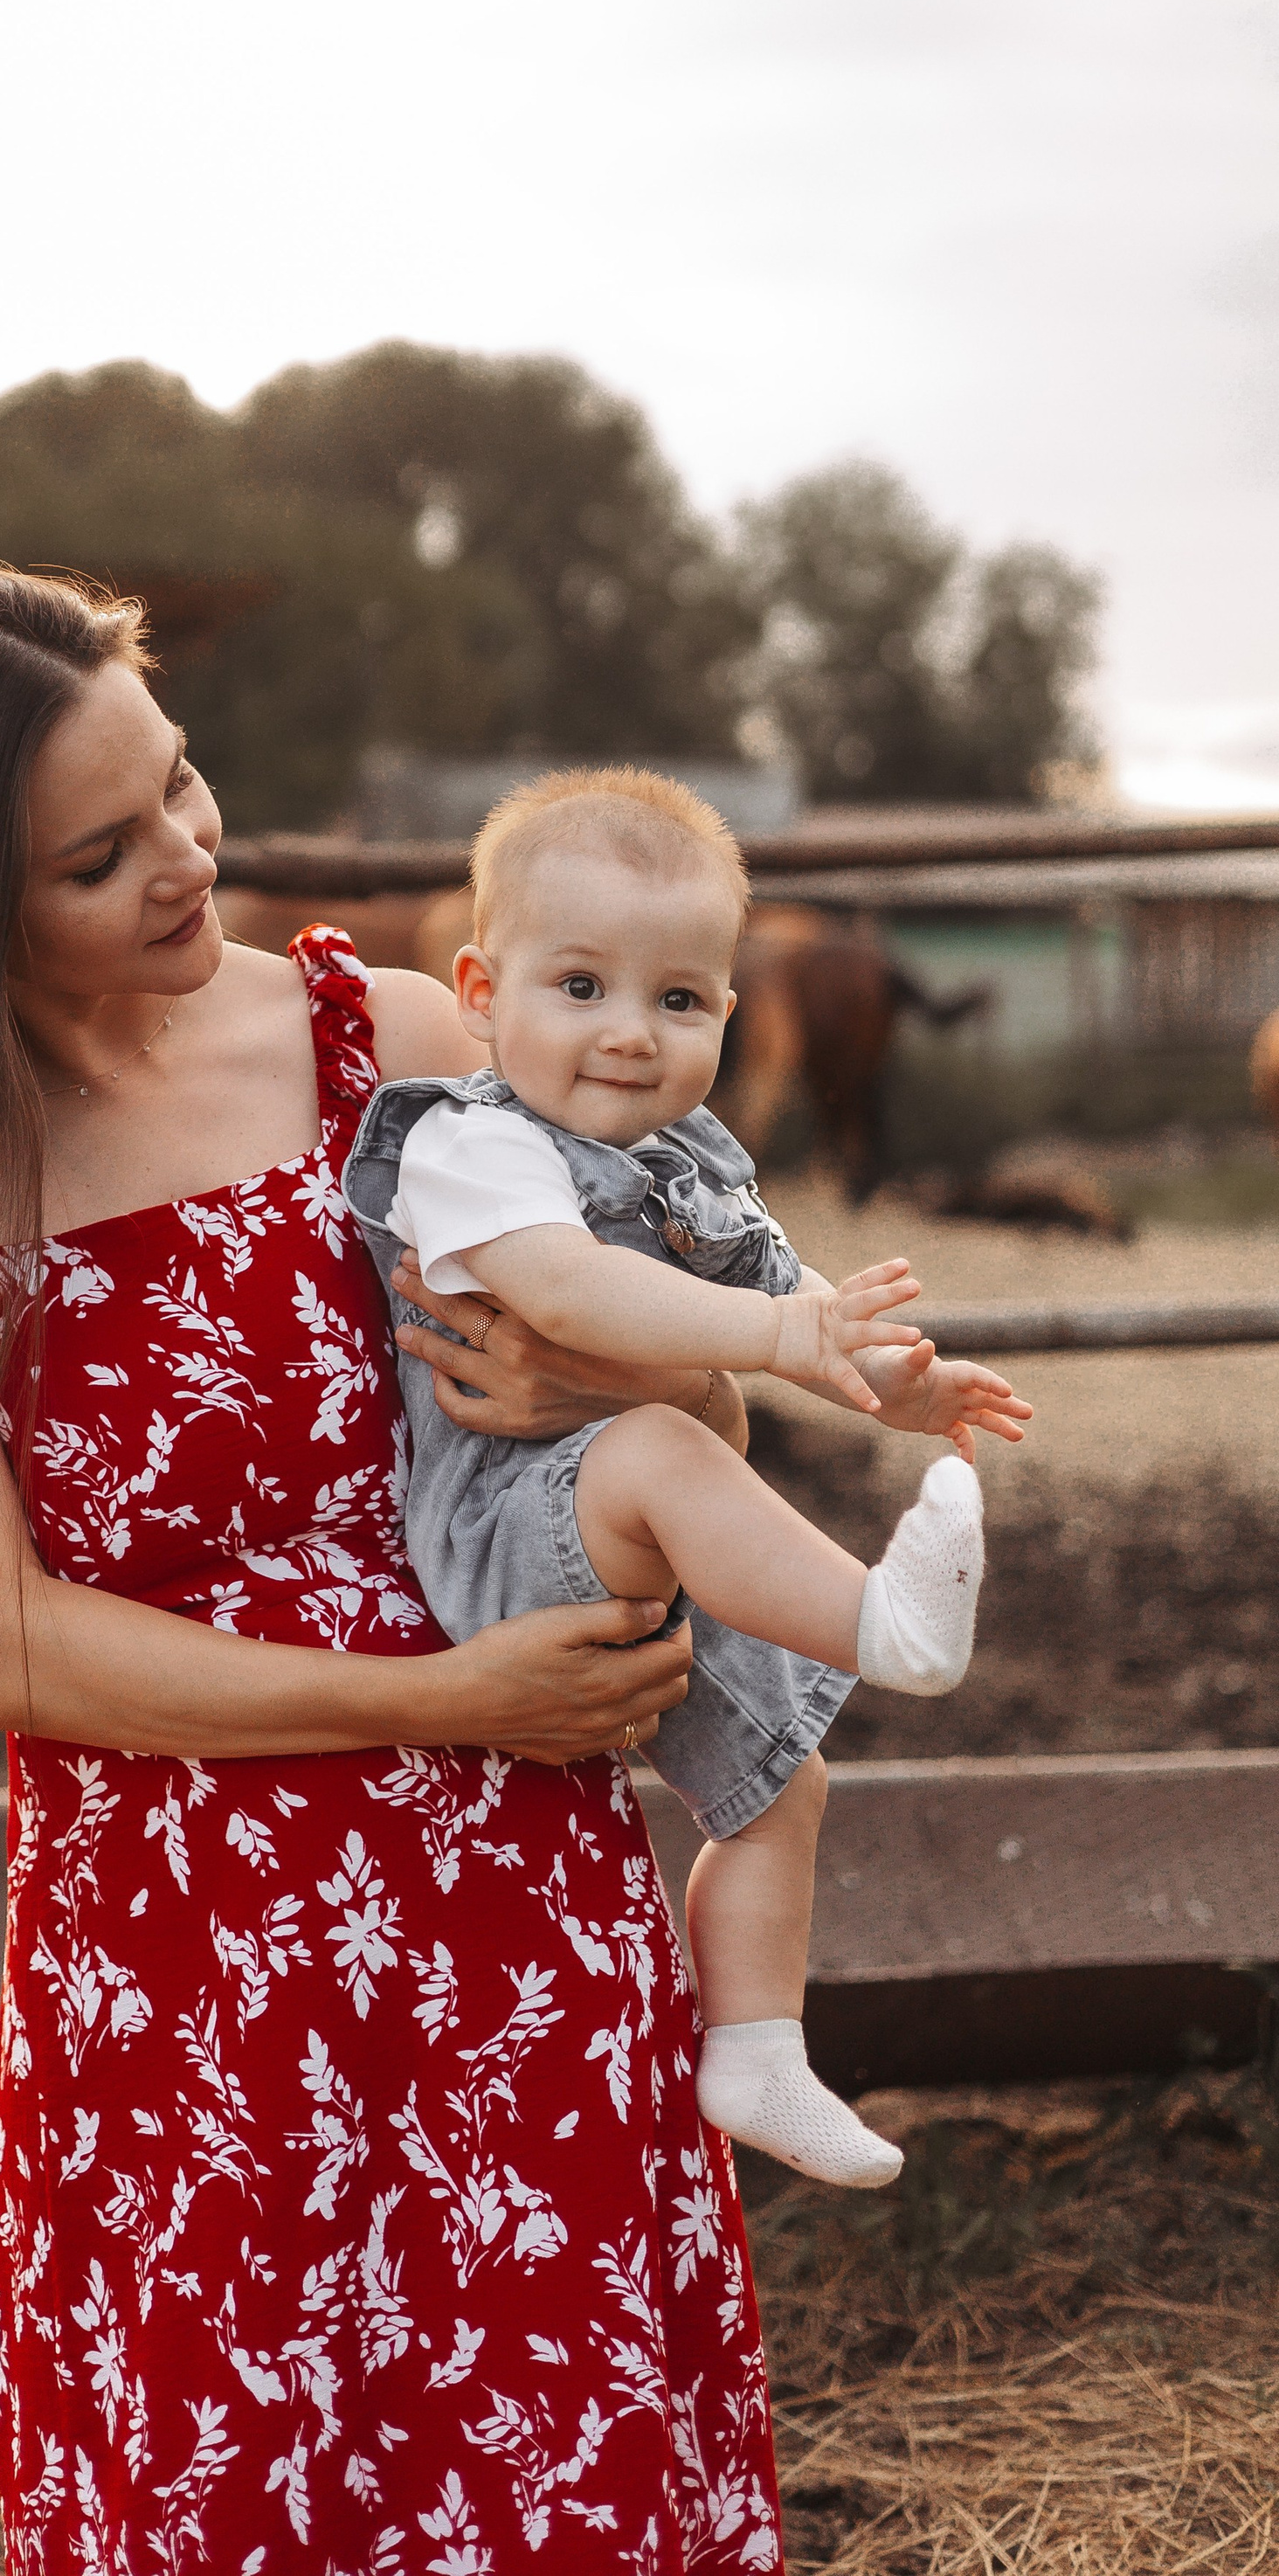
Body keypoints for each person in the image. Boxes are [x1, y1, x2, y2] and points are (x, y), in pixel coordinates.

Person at [0, 565, 786, 2573]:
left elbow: (687, 1437)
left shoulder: (405, 1038)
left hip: (507, 1918)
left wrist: (631, 1393)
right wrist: (429, 1703)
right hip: (187, 1988)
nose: (188, 859)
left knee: (555, 2471)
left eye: (180, 784)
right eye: (100, 858)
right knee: (232, 2487)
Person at [344, 766, 1032, 2192]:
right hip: (497, 1533)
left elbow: (801, 1295)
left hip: (636, 1528)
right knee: (661, 1440)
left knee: (785, 1785)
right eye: (581, 986)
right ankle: (879, 1627)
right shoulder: (471, 1146)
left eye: (678, 1000)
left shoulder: (693, 1163)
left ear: (730, 1011)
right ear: (482, 990)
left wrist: (895, 1386)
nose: (628, 1036)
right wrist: (777, 1341)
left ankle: (761, 2048)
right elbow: (574, 1295)